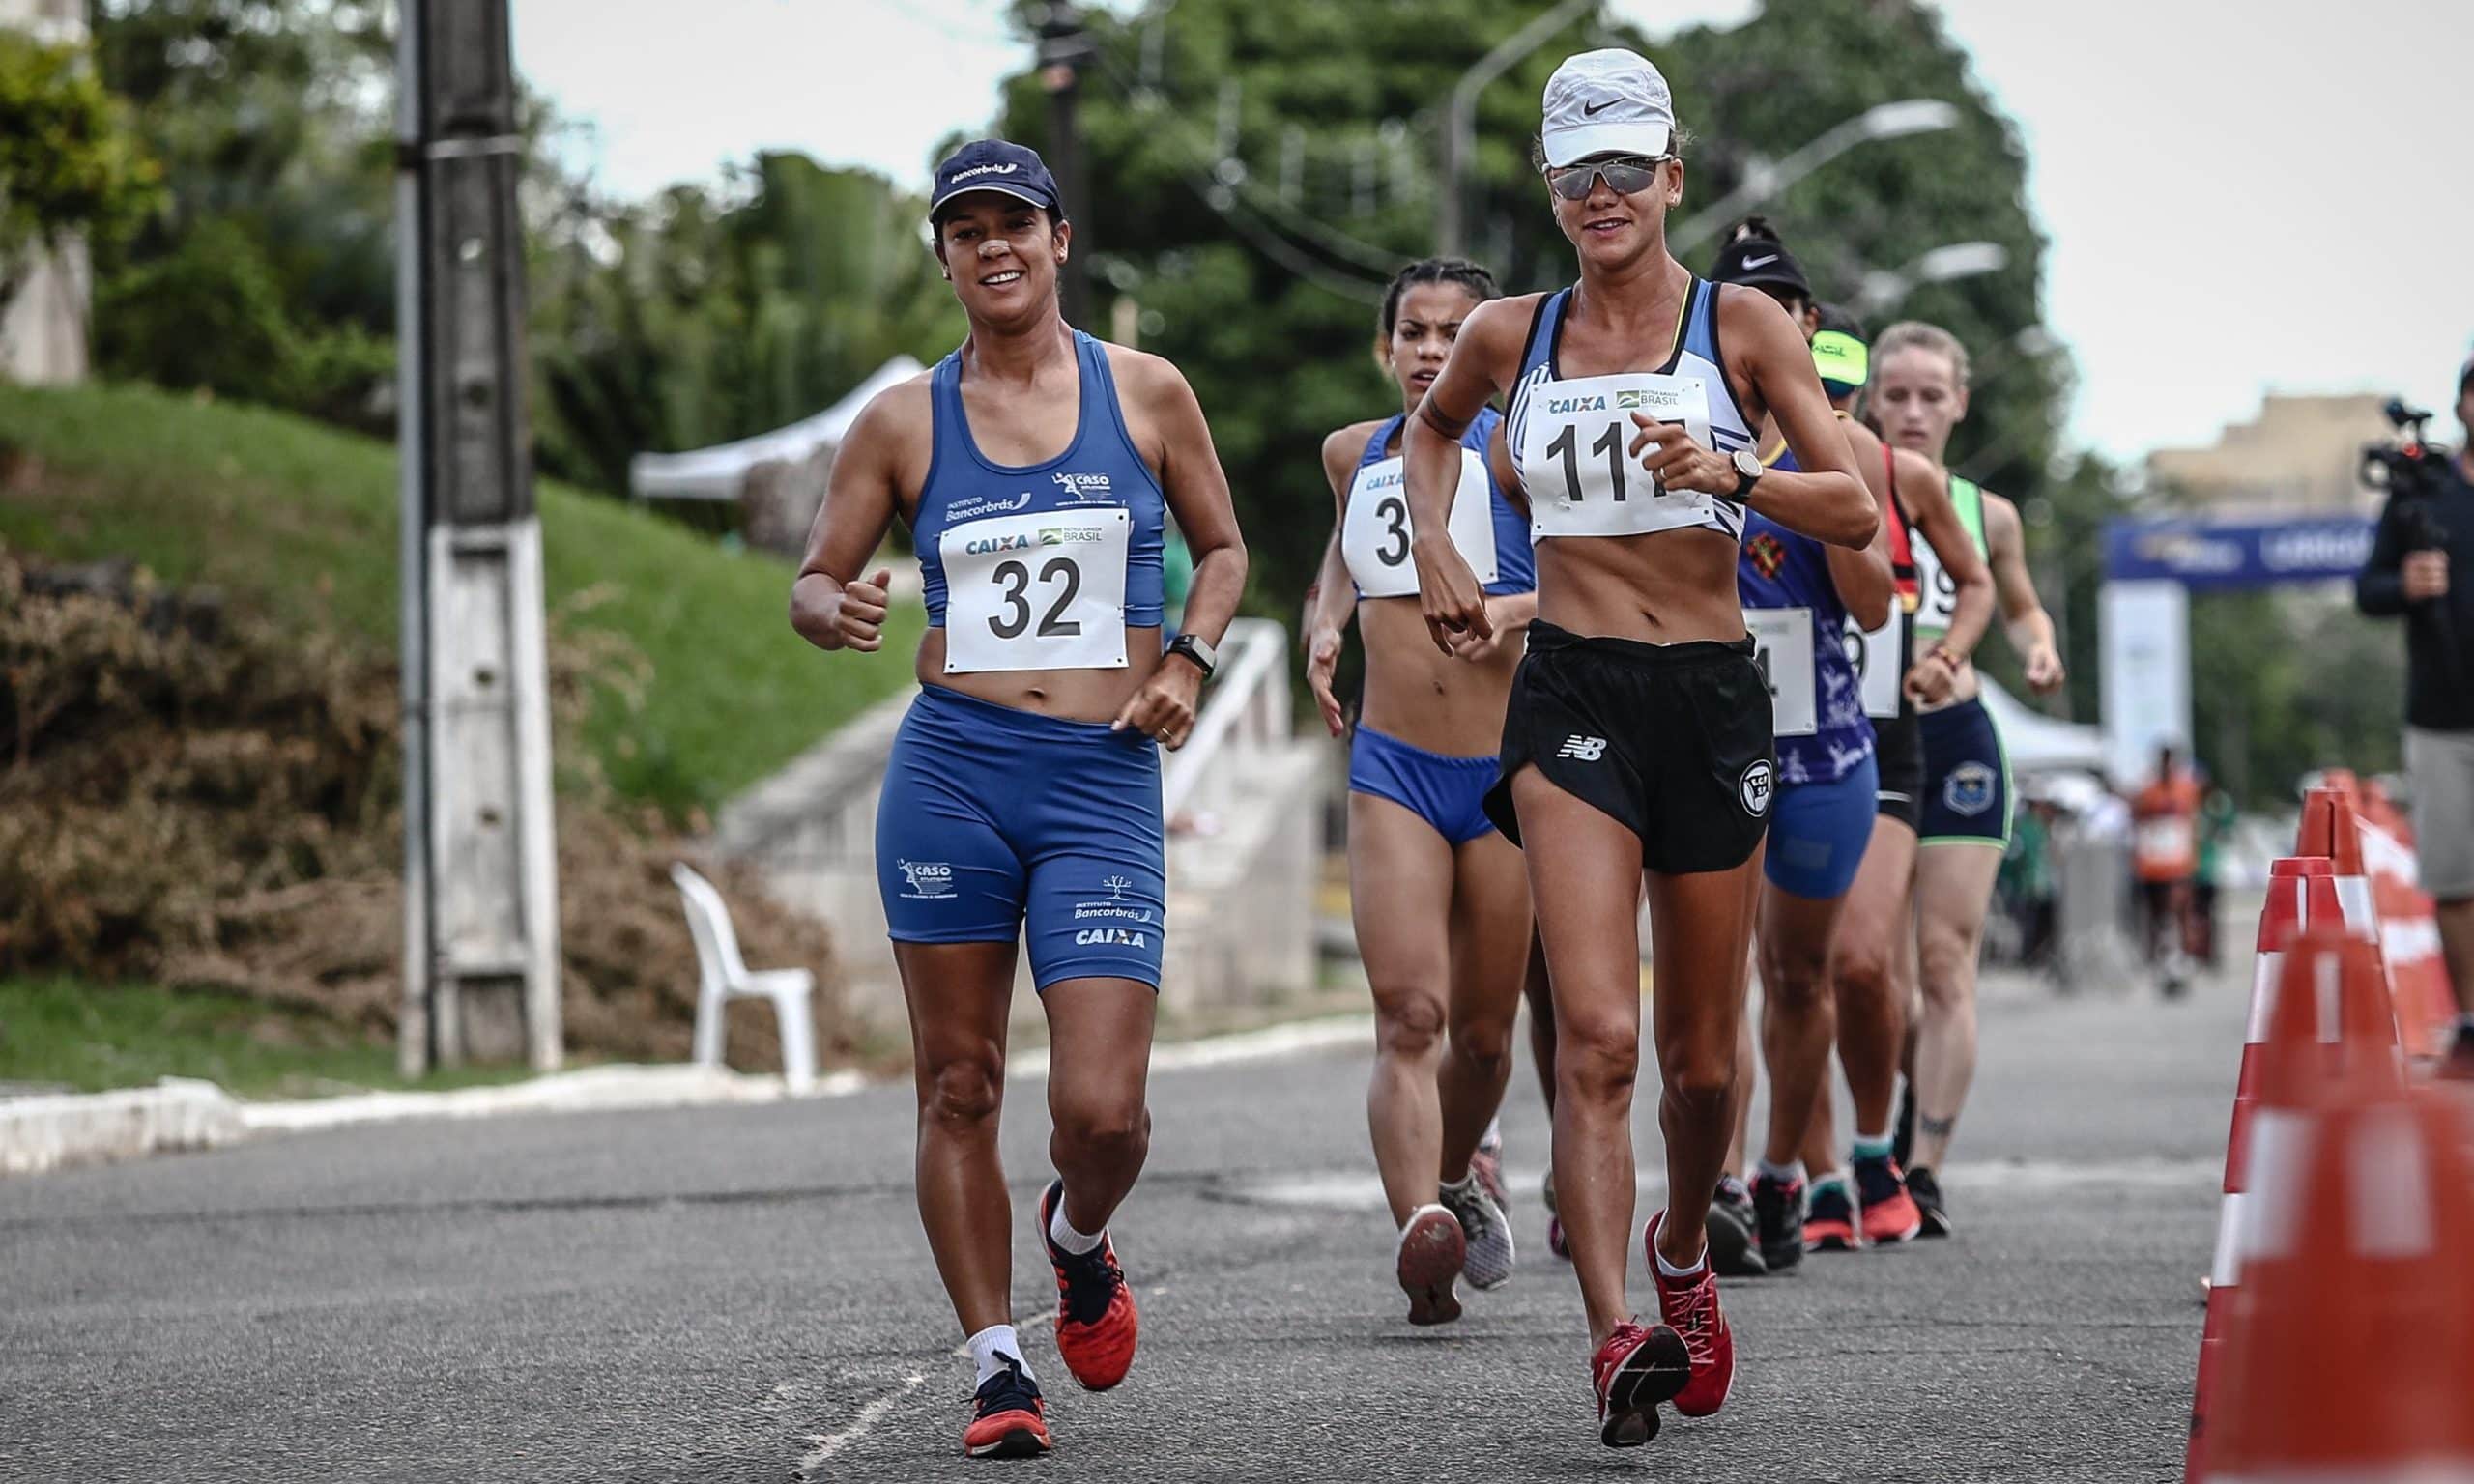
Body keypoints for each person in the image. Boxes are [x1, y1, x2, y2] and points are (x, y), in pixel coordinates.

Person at [1404, 48, 1876, 1447]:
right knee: (1597, 1038)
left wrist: (1734, 471)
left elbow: (1853, 507)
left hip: (1714, 698)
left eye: (1626, 167)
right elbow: (1430, 442)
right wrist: (1438, 535)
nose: (1601, 193)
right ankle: (1616, 1332)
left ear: (1672, 178)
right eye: (1575, 173)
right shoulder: (1508, 334)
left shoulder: (1742, 328)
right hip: (1573, 696)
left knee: (1702, 1069)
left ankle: (1683, 1254)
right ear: (1552, 191)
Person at [788, 140, 1247, 1461]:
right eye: (965, 229)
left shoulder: (1147, 393)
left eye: (1015, 225)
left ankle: (1079, 1238)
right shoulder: (903, 419)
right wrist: (839, 607)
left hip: (1099, 780)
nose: (992, 247)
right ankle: (996, 1363)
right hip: (952, 774)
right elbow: (815, 579)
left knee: (1103, 1113)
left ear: (1058, 240)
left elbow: (1222, 549)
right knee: (959, 1083)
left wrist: (1189, 659)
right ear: (943, 256)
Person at [1303, 256, 1534, 1323]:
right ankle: (1417, 1233)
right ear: (1385, 347)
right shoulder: (1353, 454)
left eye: (1454, 333)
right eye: (1414, 334)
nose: (1432, 352)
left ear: (1487, 348)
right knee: (1409, 1014)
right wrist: (1325, 619)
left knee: (1483, 1035)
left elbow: (1594, 573)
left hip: (1502, 777)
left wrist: (1507, 613)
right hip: (1392, 765)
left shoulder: (1523, 450)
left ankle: (1449, 1181)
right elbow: (1348, 552)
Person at [1700, 225, 1894, 1273]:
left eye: (1785, 305)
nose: (1766, 319)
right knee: (1714, 973)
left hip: (1820, 749)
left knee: (1799, 973)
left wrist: (1805, 479)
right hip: (1707, 743)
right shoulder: (1673, 428)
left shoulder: (1846, 449)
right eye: (1741, 301)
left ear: (1807, 326)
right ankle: (1720, 1180)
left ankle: (1781, 1168)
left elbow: (1870, 608)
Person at [1788, 308, 1994, 1254]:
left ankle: (1884, 1153)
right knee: (1792, 975)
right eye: (1815, 385)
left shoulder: (1897, 475)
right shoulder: (1736, 458)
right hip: (1774, 736)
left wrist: (1948, 654)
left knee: (1866, 962)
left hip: (1884, 739)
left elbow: (1979, 582)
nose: (1830, 403)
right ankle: (1815, 1175)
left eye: (1843, 388)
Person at [1870, 319, 2065, 1236]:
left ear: (1959, 403)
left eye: (1930, 395)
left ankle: (1927, 1167)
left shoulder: (1989, 515)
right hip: (1865, 735)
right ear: (1871, 399)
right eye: (1896, 394)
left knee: (1947, 961)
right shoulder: (1844, 490)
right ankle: (1888, 1127)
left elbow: (2020, 606)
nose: (1912, 412)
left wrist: (2039, 652)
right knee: (1880, 973)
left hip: (1957, 739)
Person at [2355, 355, 2474, 1079]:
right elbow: (2365, 589)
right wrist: (2405, 582)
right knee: (2457, 876)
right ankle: (2469, 1018)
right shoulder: (2421, 494)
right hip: (2442, 714)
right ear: (2462, 406)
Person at [2131, 744, 2201, 994]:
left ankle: (2182, 959)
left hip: (2177, 863)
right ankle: (2158, 960)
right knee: (2156, 915)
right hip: (2152, 864)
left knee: (2180, 911)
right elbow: (2136, 813)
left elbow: (2191, 816)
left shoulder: (2186, 788)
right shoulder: (2148, 790)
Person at [2192, 785, 2237, 968]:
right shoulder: (2201, 817)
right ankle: (2203, 952)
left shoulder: (2208, 816)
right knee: (2202, 916)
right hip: (2198, 873)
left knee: (2206, 915)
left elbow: (2228, 820)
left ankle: (2208, 952)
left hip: (2206, 874)